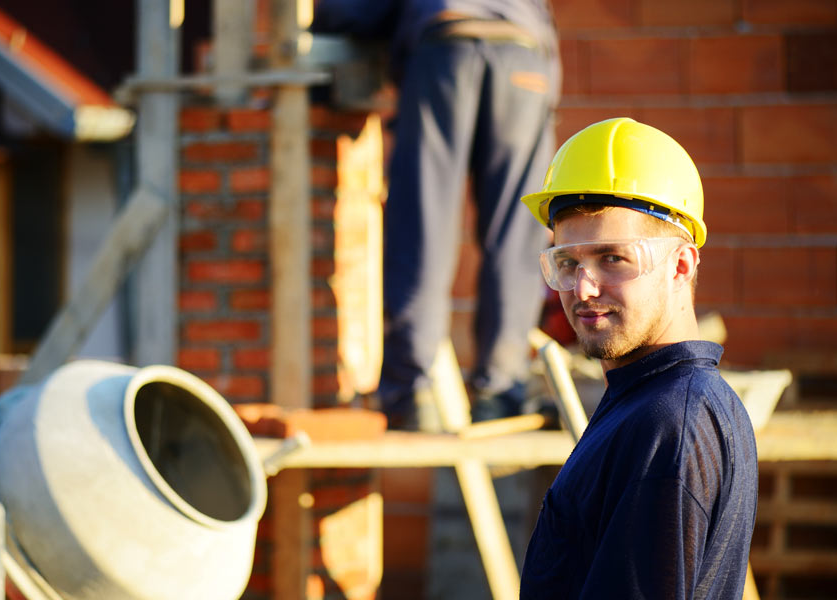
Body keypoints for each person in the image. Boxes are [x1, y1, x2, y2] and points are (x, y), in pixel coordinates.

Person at [518, 117, 758, 599]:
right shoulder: (650, 402)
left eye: (613, 258)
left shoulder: (669, 422)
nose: (584, 288)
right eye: (568, 262)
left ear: (680, 265)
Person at [311, 1, 561, 429]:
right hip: (525, 57)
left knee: (424, 226)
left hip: (447, 47)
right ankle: (501, 390)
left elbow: (355, 12)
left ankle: (414, 392)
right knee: (518, 238)